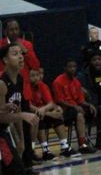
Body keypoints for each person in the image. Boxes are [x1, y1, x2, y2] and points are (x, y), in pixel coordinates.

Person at [0, 43, 39, 175]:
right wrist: (23, 115)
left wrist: (21, 139)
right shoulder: (2, 83)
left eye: (21, 53)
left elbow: (17, 109)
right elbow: (1, 117)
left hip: (3, 130)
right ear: (5, 60)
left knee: (17, 169)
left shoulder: (20, 79)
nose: (21, 57)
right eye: (15, 54)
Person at [51, 58, 95, 154]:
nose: (72, 69)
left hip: (75, 109)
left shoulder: (76, 82)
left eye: (74, 67)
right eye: (70, 67)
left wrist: (89, 105)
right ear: (65, 68)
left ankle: (92, 140)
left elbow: (80, 100)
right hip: (64, 110)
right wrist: (73, 106)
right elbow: (59, 100)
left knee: (92, 110)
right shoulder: (58, 81)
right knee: (79, 114)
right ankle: (82, 144)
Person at [28, 68, 74, 159]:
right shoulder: (26, 87)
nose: (36, 78)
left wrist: (47, 110)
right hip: (31, 114)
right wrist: (48, 113)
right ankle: (45, 150)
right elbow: (29, 106)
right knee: (39, 119)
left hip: (43, 111)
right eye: (32, 76)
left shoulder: (42, 85)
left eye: (37, 75)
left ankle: (65, 147)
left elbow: (50, 103)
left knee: (57, 117)